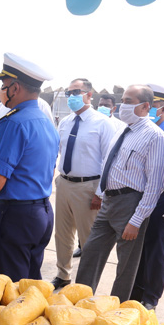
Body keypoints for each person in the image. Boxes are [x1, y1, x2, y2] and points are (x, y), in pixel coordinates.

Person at [75, 84, 164, 302]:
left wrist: (136, 220)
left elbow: (155, 185)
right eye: (123, 100)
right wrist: (100, 193)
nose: (122, 105)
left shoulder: (155, 136)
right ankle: (80, 302)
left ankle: (116, 313)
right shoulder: (121, 129)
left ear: (145, 106)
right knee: (91, 253)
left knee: (126, 266)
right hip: (109, 201)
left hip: (131, 203)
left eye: (128, 101)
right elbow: (110, 164)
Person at [0, 52, 59, 282]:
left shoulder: (13, 123)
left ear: (15, 88)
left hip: (15, 216)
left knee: (6, 291)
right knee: (28, 288)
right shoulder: (47, 122)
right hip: (41, 212)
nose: (1, 91)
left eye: (4, 85)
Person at [51, 78, 117, 290]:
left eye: (76, 92)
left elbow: (109, 160)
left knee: (89, 238)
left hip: (89, 187)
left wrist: (100, 192)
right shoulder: (65, 122)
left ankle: (86, 284)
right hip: (64, 184)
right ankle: (63, 274)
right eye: (69, 93)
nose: (72, 97)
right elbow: (59, 152)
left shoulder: (102, 123)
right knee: (62, 234)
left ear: (89, 95)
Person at [130, 84, 164, 309]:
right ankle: (134, 291)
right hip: (135, 198)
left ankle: (151, 296)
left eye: (152, 107)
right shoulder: (137, 130)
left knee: (155, 249)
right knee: (135, 248)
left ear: (161, 109)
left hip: (159, 202)